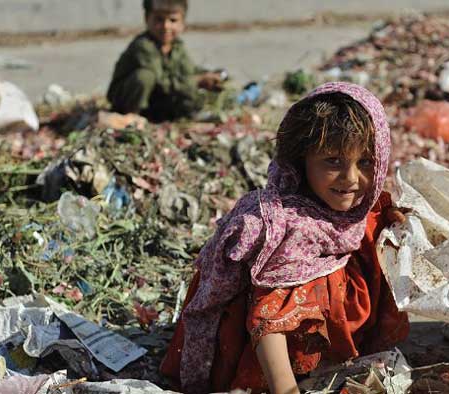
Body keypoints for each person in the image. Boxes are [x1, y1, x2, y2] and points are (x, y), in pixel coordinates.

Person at [160, 82, 410, 393]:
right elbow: (267, 322)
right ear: (302, 158)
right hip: (254, 354)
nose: (350, 179)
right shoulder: (289, 227)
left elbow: (379, 214)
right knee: (314, 284)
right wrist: (286, 389)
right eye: (333, 161)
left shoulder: (357, 210)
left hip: (302, 332)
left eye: (365, 162)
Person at [106, 0, 223, 122]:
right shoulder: (143, 45)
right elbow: (162, 82)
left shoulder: (177, 46)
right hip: (126, 99)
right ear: (147, 19)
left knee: (190, 92)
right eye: (159, 19)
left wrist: (210, 76)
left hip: (156, 99)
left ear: (182, 23)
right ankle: (130, 117)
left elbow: (189, 70)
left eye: (173, 20)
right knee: (145, 76)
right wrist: (197, 81)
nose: (166, 26)